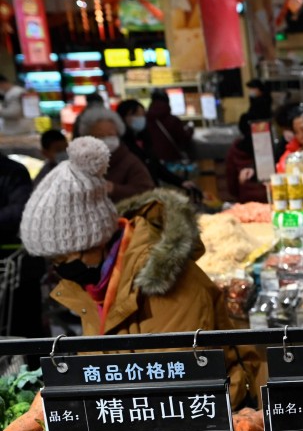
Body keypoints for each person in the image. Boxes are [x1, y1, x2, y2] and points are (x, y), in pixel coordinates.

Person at [19, 136, 261, 408]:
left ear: (95, 239)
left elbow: (182, 382)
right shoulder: (96, 283)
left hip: (212, 412)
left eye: (63, 257)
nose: (59, 267)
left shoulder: (165, 282)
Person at [116, 100, 201, 201]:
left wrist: (181, 182)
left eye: (142, 114)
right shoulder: (120, 146)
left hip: (151, 195)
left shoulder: (145, 139)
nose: (140, 118)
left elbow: (156, 166)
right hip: (133, 199)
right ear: (122, 118)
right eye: (135, 114)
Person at [0, 154, 45, 339]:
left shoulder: (13, 172)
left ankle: (35, 363)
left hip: (15, 269)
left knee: (23, 332)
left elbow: (19, 211)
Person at [76, 105, 154, 201]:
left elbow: (147, 190)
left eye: (110, 135)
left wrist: (114, 189)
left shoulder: (130, 162)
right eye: (100, 136)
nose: (106, 140)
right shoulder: (80, 163)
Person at [144, 90, 194, 165]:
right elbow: (184, 139)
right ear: (167, 101)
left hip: (153, 162)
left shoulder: (146, 120)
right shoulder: (173, 120)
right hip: (172, 160)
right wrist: (190, 129)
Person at [225, 117, 268, 203]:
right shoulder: (267, 147)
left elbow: (232, 185)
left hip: (245, 201)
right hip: (268, 200)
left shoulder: (234, 150)